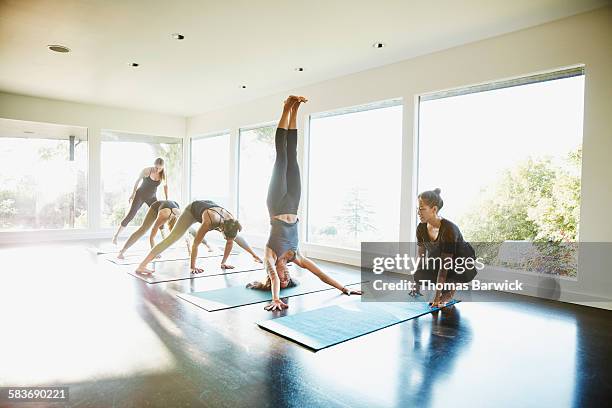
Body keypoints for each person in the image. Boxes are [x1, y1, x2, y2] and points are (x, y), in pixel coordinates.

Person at [247, 95, 362, 311]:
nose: (285, 277)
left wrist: (275, 298)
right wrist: (344, 288)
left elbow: (272, 277)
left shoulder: (270, 257)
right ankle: (295, 110)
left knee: (282, 157)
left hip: (276, 203)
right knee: (293, 154)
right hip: (292, 203)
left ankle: (285, 109)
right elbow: (320, 273)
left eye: (283, 280)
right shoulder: (295, 256)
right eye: (287, 281)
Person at [134, 200, 261, 274]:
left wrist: (223, 263)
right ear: (221, 229)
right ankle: (142, 265)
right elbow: (196, 244)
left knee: (234, 238)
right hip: (192, 211)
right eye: (225, 237)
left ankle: (255, 255)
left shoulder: (232, 222)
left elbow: (230, 242)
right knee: (172, 238)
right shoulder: (209, 221)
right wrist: (192, 266)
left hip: (209, 209)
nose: (227, 241)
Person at [409, 188, 477, 307]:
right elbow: (421, 256)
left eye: (422, 209)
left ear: (434, 209)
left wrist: (437, 298)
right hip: (441, 258)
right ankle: (446, 288)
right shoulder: (421, 228)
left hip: (462, 262)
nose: (418, 213)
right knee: (419, 275)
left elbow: (444, 267)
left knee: (448, 278)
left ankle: (450, 292)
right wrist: (416, 285)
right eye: (418, 209)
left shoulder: (448, 229)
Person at [116, 200, 214, 259]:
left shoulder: (181, 217)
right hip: (157, 206)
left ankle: (207, 245)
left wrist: (190, 252)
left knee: (190, 228)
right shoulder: (162, 217)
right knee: (143, 229)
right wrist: (155, 253)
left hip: (174, 205)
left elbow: (188, 233)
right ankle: (122, 251)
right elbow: (152, 237)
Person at [112, 158, 169, 244]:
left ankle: (164, 237)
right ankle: (115, 236)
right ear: (154, 165)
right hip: (140, 195)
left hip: (152, 197)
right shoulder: (146, 171)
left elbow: (165, 186)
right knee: (131, 215)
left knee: (160, 214)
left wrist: (167, 199)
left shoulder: (163, 174)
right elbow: (137, 181)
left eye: (160, 168)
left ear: (162, 167)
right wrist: (132, 194)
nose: (158, 170)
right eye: (156, 167)